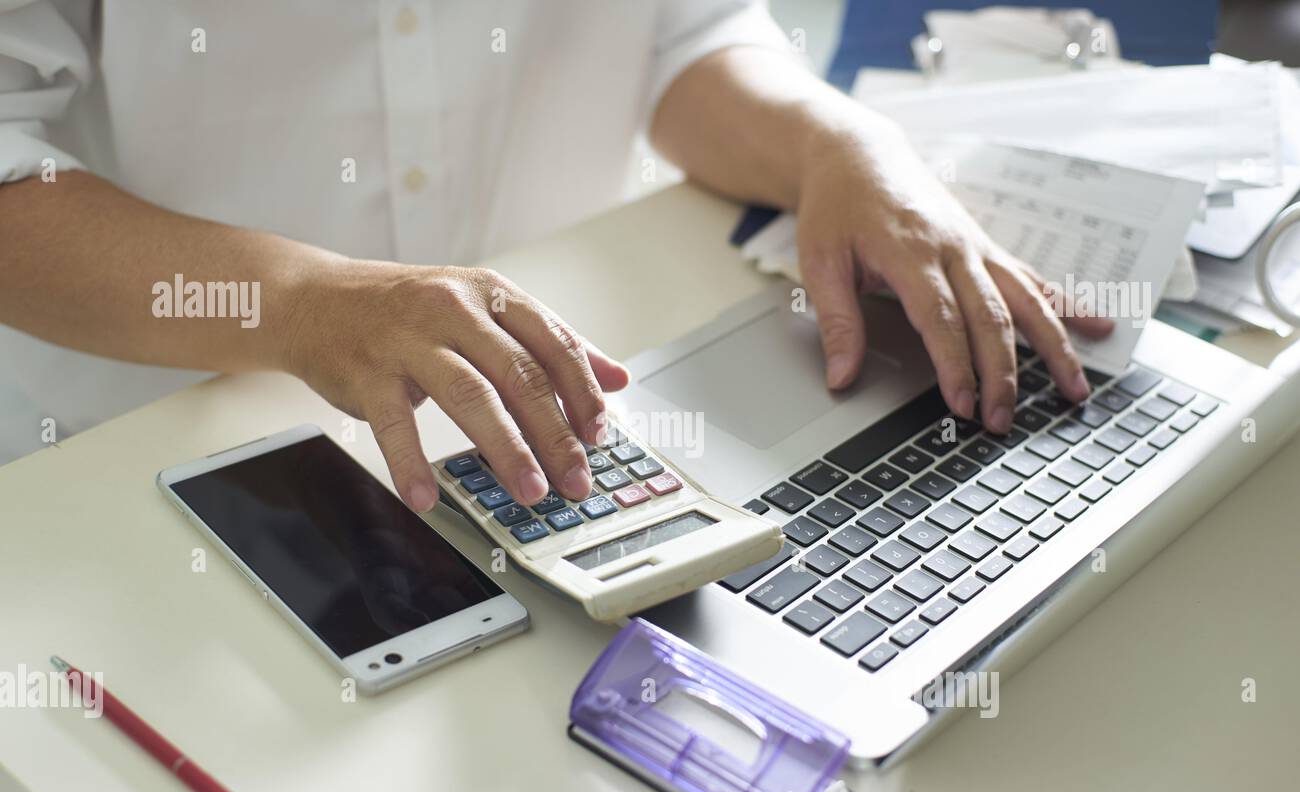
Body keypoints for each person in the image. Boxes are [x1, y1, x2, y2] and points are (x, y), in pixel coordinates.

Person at [0, 1, 1111, 510]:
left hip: (565, 407)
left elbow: (679, 37)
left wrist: (839, 146)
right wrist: (300, 301)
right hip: (159, 441)